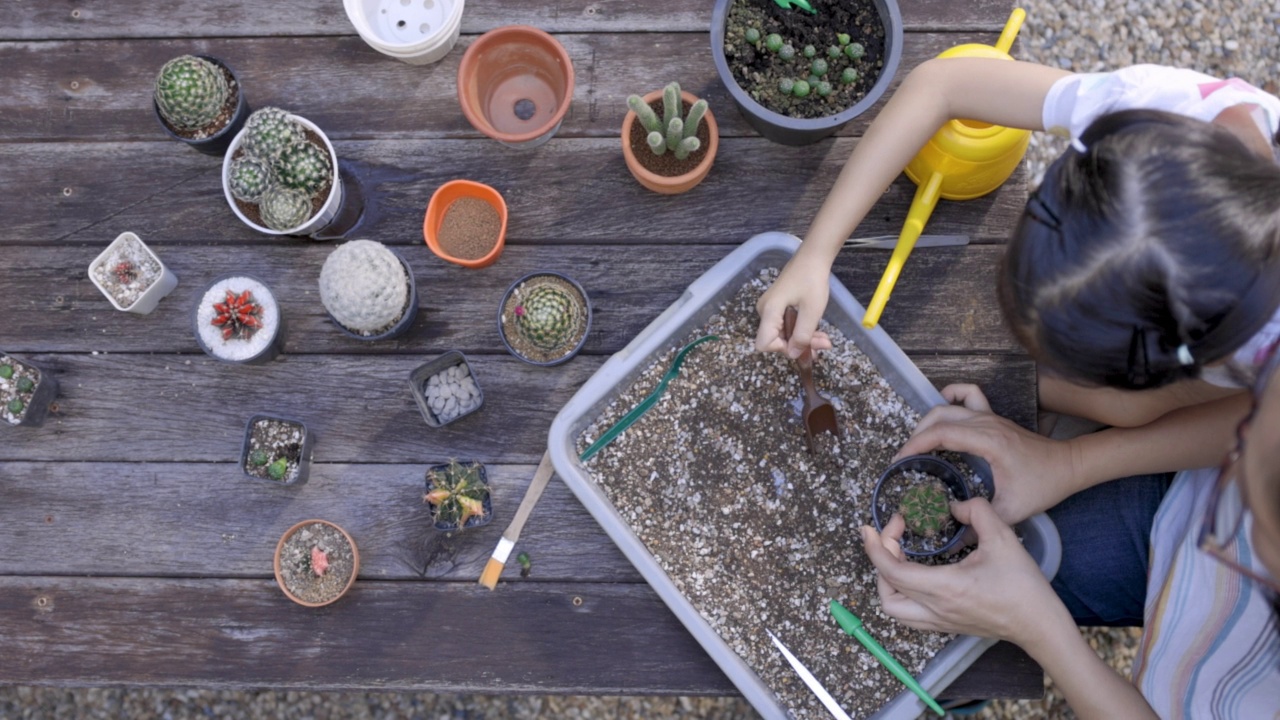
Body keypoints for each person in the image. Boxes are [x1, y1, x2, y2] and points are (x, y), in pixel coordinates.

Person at [754, 59, 1280, 439]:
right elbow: (943, 83)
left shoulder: (1257, 352)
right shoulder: (1151, 115)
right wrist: (816, 254)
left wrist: (1053, 447)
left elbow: (1187, 413)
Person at [862, 341, 1280, 717]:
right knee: (1009, 564)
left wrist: (1037, 629)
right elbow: (1261, 411)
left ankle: (958, 689)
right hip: (1185, 503)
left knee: (968, 618)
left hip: (1174, 682)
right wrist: (1071, 461)